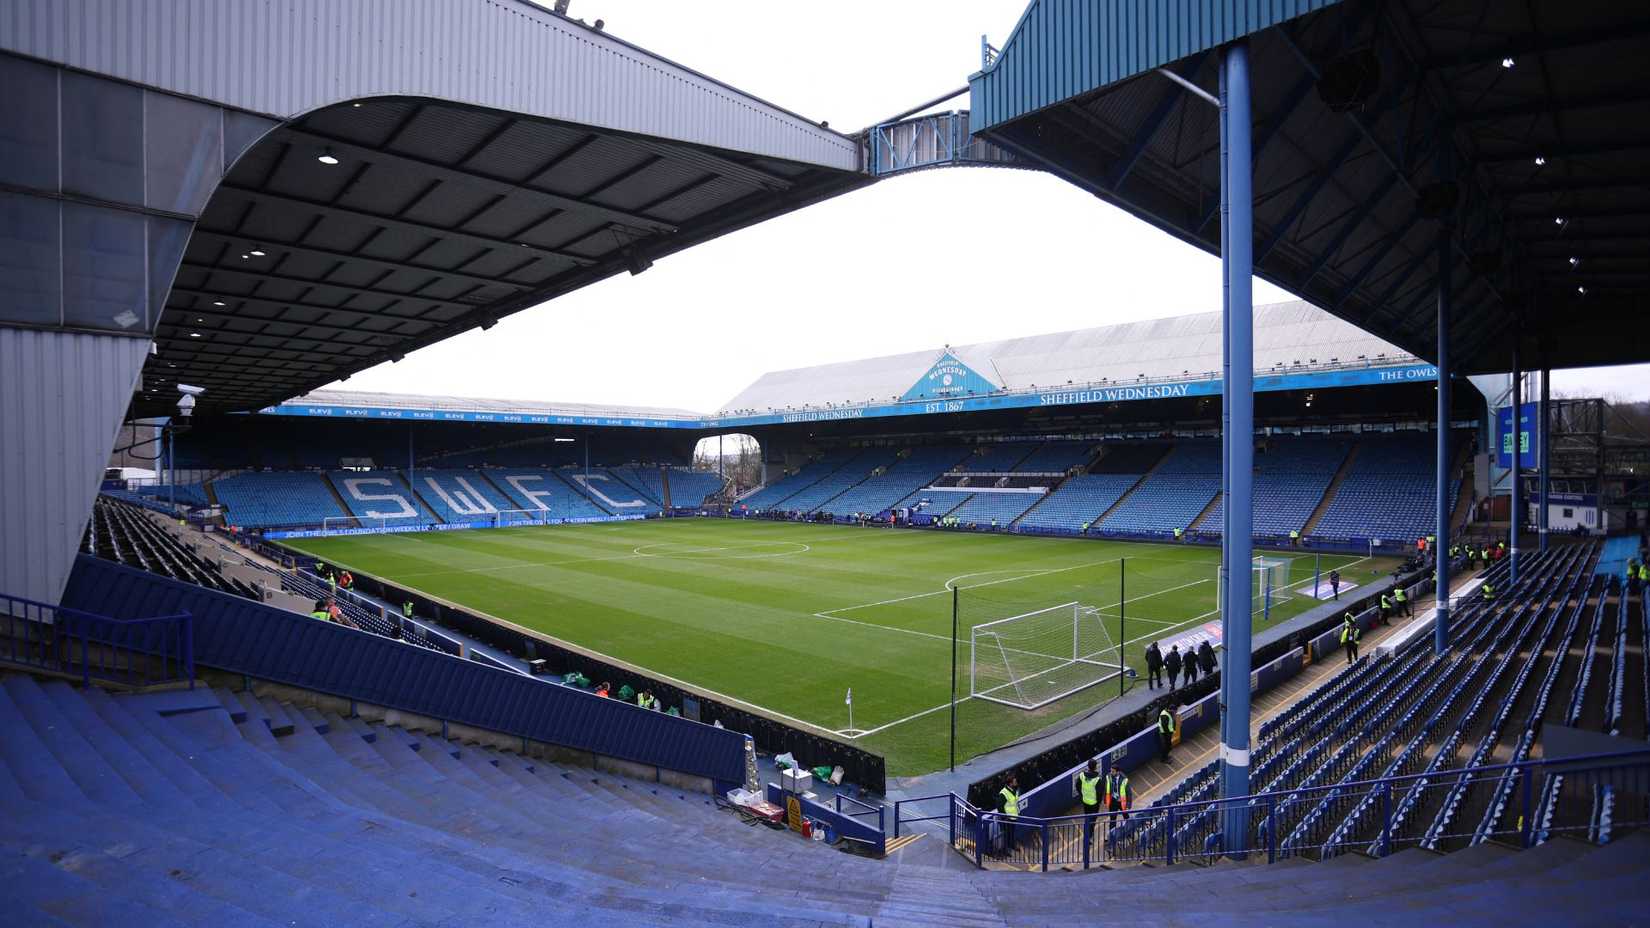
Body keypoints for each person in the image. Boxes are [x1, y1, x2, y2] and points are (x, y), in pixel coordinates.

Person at [998, 776, 1022, 853]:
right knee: (1006, 834)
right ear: (1010, 783)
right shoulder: (1003, 793)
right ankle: (1006, 850)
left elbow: (1015, 802)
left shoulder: (1014, 790)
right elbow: (999, 807)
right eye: (1015, 781)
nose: (1016, 782)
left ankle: (1012, 845)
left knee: (1012, 833)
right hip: (1007, 818)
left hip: (1014, 816)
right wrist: (1005, 817)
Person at [1077, 759, 1102, 825]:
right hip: (1094, 804)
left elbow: (1077, 786)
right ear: (1095, 767)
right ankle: (1090, 834)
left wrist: (1082, 795)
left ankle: (1087, 833)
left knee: (1087, 818)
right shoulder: (1097, 779)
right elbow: (1099, 794)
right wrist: (1098, 802)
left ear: (1088, 766)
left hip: (1085, 801)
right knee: (1093, 820)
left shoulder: (1082, 775)